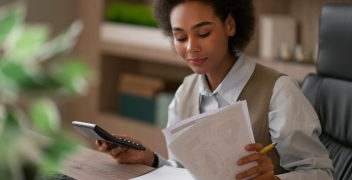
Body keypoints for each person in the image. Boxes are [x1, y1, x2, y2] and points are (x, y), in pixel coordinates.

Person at [96, 0, 334, 179]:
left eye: (203, 33)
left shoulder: (278, 91)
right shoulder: (185, 93)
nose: (191, 48)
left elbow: (322, 173)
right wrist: (150, 158)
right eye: (180, 37)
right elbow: (186, 173)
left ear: (230, 25)